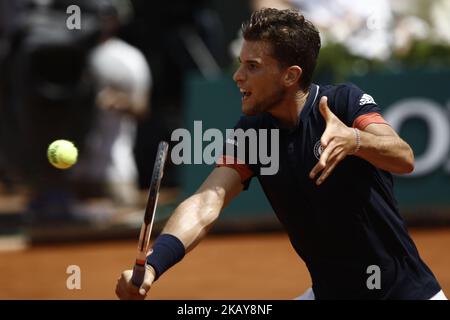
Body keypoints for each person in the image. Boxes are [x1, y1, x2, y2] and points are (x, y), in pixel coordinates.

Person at [115, 8, 447, 300]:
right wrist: (155, 265)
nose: (238, 76)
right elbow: (207, 203)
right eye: (240, 63)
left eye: (252, 66)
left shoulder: (342, 103)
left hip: (404, 292)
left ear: (290, 76)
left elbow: (403, 156)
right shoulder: (253, 131)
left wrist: (355, 139)